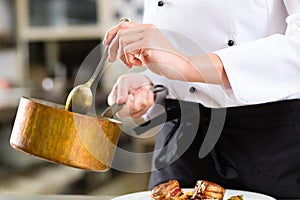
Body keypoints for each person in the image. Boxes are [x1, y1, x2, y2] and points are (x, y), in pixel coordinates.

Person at [103, 1, 300, 199]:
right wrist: (153, 84)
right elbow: (178, 46)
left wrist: (189, 67)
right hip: (180, 146)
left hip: (267, 145)